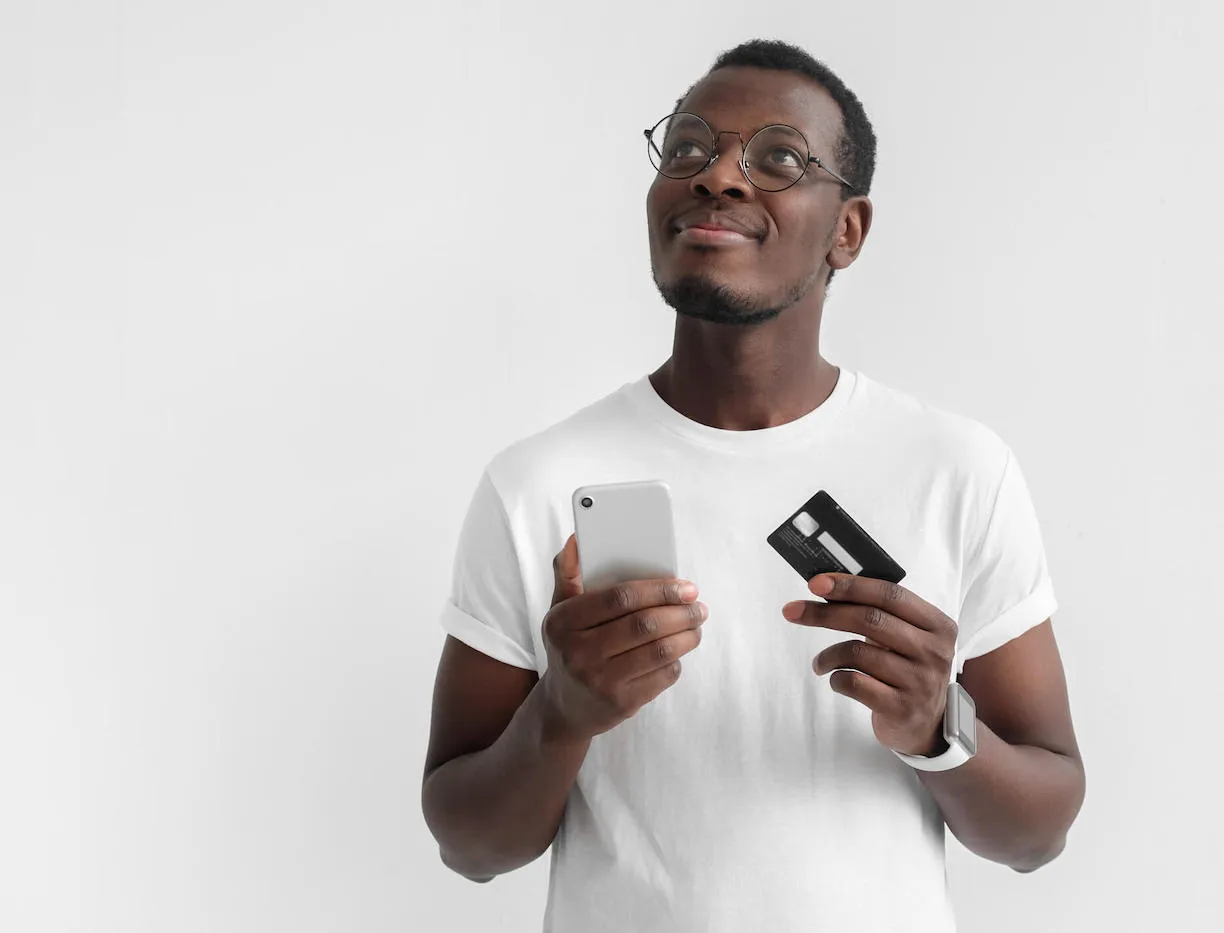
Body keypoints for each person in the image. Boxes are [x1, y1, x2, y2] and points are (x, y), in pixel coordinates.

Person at [420, 38, 1086, 932]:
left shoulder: (956, 470)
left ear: (846, 231)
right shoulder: (540, 482)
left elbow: (1037, 833)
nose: (717, 177)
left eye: (778, 158)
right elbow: (469, 847)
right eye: (689, 147)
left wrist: (939, 727)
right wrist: (560, 716)